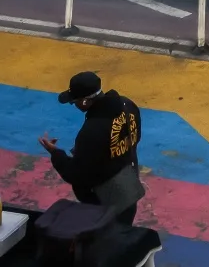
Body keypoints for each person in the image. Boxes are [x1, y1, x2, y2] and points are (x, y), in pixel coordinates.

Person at [40, 71, 144, 226]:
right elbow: (134, 137)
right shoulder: (128, 105)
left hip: (104, 201)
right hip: (128, 186)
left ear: (84, 101)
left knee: (108, 236)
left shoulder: (92, 131)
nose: (74, 105)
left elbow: (76, 174)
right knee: (124, 230)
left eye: (74, 101)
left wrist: (56, 153)